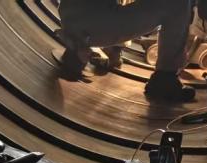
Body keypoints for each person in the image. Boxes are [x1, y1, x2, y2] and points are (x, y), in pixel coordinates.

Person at [57, 0, 197, 102]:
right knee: (177, 3)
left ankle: (79, 49)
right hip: (91, 22)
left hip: (72, 15)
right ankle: (165, 79)